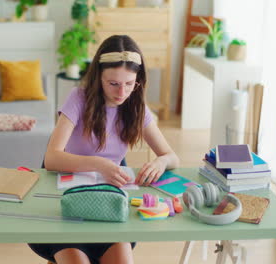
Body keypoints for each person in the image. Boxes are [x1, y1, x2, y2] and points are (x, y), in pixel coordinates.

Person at [29, 35, 180, 264]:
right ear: (98, 77)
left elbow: (171, 157)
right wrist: (99, 163)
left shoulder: (136, 107)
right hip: (66, 205)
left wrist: (160, 162)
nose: (122, 93)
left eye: (130, 84)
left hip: (109, 206)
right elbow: (51, 158)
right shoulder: (78, 98)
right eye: (113, 83)